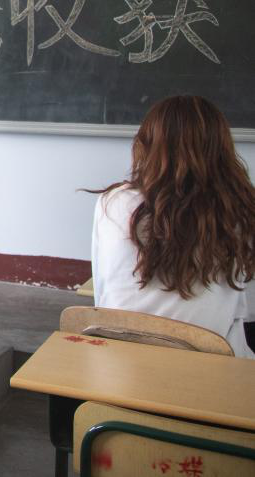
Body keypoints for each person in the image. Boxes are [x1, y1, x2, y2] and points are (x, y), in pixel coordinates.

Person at [89, 95, 255, 359]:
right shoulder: (241, 208)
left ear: (146, 143)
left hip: (120, 362)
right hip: (209, 367)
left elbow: (102, 292)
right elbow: (248, 306)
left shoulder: (113, 202)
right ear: (222, 148)